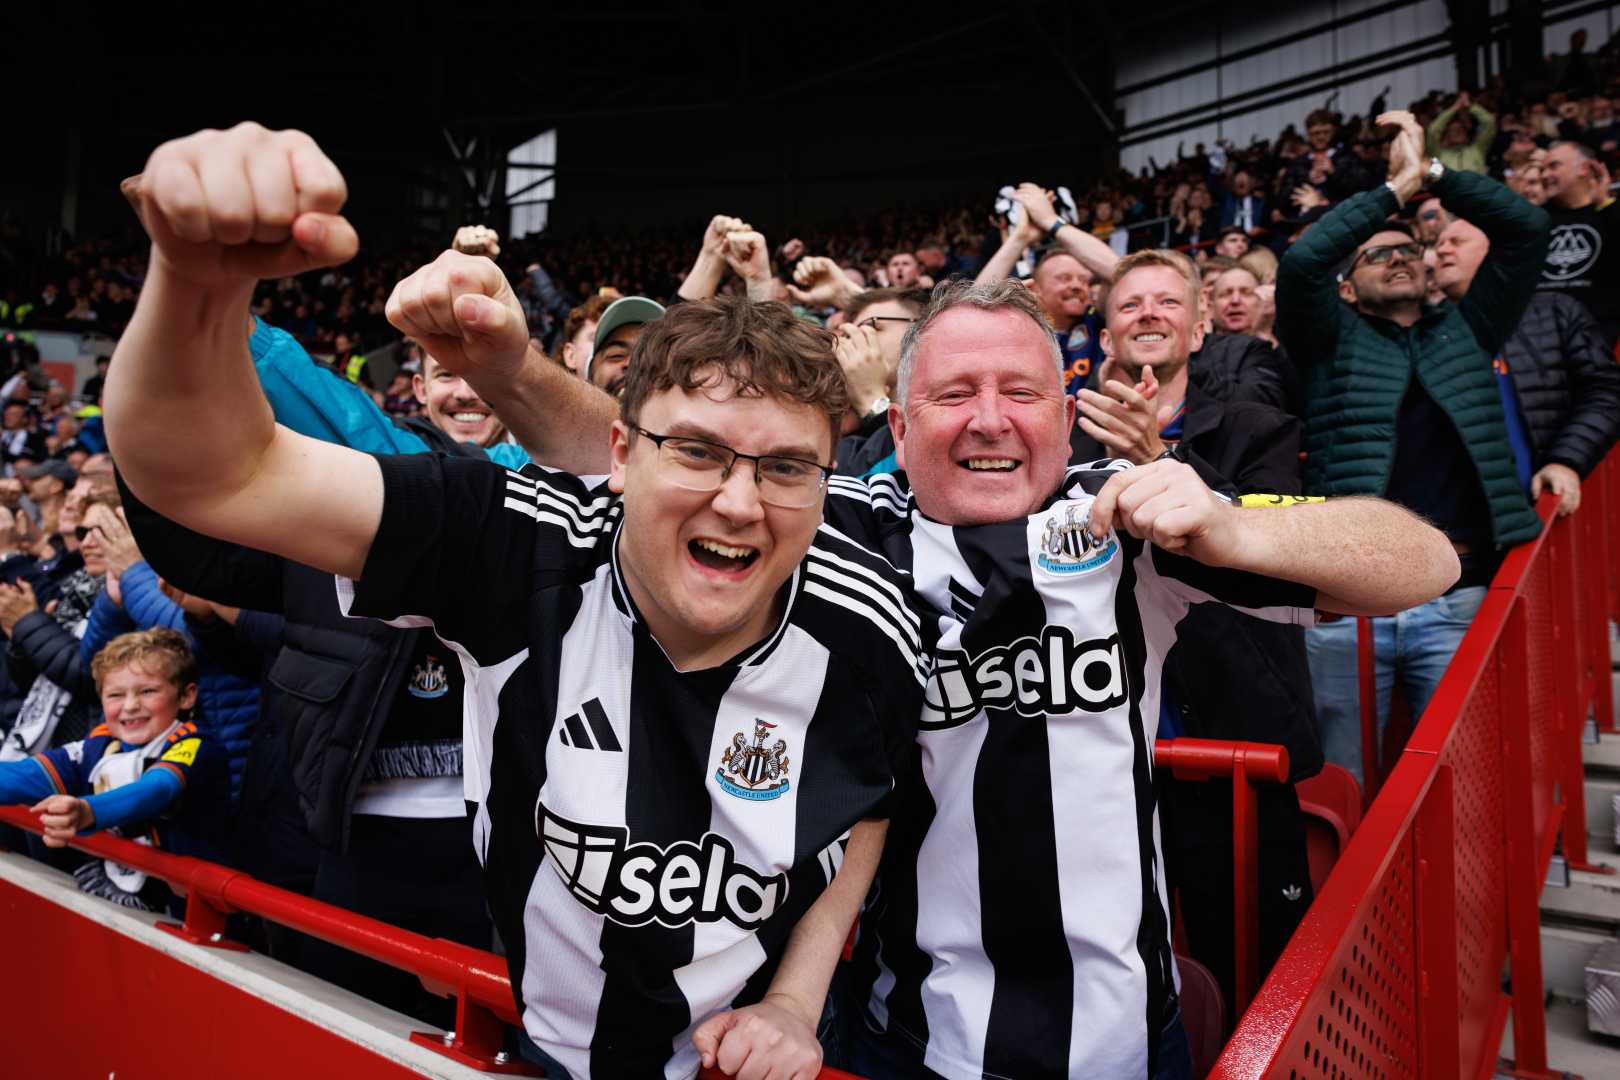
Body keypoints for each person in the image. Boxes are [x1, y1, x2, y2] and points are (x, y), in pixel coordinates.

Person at [108, 122, 929, 1080]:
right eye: (698, 451)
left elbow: (868, 797)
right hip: (542, 1043)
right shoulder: (517, 540)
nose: (739, 504)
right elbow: (211, 475)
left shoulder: (866, 609)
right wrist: (197, 284)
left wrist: (794, 1002)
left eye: (786, 467)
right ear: (619, 456)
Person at [1277, 110, 1549, 783]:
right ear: (1348, 286)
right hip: (1352, 601)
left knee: (1465, 774)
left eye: (1408, 249)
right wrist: (1391, 193)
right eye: (1377, 252)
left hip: (1458, 592)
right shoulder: (1327, 341)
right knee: (1340, 780)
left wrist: (1434, 176)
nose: (1398, 255)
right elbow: (1305, 260)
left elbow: (1527, 231)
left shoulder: (1468, 328)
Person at [0, 628, 230, 910]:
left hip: (194, 915)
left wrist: (87, 812)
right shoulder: (101, 743)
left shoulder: (196, 743)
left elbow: (158, 788)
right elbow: (28, 775)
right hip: (121, 907)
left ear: (186, 696)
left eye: (147, 691)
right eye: (116, 695)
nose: (131, 706)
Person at [1433, 217, 1620, 515]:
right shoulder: (1427, 331)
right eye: (1438, 243)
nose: (1441, 250)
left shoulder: (1556, 311)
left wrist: (1566, 460)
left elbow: (1607, 392)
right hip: (1464, 518)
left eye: (1457, 242)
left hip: (1546, 506)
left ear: (1496, 252)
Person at [975, 182, 1118, 393]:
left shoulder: (1098, 322)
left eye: (1083, 279)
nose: (1077, 285)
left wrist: (1052, 222)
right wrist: (1020, 238)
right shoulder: (1018, 331)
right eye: (1064, 278)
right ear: (1034, 289)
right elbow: (971, 307)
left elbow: (1122, 273)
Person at [833, 288, 925, 476]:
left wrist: (872, 402)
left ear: (923, 331)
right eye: (849, 336)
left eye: (871, 326)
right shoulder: (846, 436)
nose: (853, 344)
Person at [1538, 140, 1619, 351]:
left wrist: (1604, 202)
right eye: (1542, 169)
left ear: (1585, 168)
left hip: (1602, 340)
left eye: (1554, 166)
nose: (1545, 176)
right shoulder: (1538, 219)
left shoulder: (1609, 212)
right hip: (1544, 340)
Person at [1426, 90, 1497, 174]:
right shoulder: (1439, 154)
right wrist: (1454, 108)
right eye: (1454, 130)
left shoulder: (1477, 150)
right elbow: (1432, 131)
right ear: (1446, 136)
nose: (1459, 132)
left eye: (1461, 129)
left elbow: (1490, 124)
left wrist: (1470, 106)